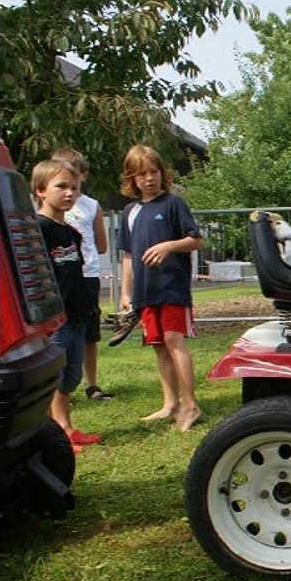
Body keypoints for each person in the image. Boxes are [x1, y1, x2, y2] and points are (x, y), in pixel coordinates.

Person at [116, 144, 205, 432]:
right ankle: (170, 403)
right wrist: (125, 293)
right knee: (158, 346)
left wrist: (169, 246)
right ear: (132, 178)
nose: (149, 178)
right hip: (145, 291)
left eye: (153, 171)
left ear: (162, 173)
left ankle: (190, 405)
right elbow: (127, 255)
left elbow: (195, 240)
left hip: (171, 286)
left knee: (173, 341)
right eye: (141, 174)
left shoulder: (173, 204)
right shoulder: (129, 211)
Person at [31, 158, 102, 450]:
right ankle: (48, 434)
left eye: (74, 187)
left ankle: (66, 428)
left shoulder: (72, 233)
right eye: (61, 186)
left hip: (77, 315)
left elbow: (77, 273)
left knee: (70, 377)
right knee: (50, 378)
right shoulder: (38, 229)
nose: (70, 193)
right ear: (40, 191)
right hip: (53, 321)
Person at [52, 147, 113, 400]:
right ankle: (54, 388)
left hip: (86, 275)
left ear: (82, 176)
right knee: (58, 333)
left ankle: (91, 384)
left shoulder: (91, 206)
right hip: (57, 277)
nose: (68, 190)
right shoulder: (44, 206)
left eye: (73, 179)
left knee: (88, 331)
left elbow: (101, 245)